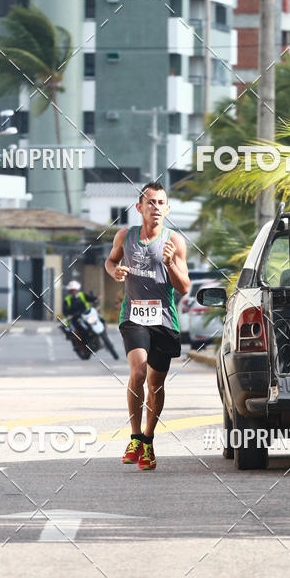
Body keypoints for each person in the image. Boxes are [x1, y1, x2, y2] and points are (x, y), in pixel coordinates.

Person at [105, 181, 190, 471]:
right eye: (150, 202)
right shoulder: (125, 236)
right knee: (138, 371)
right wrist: (114, 271)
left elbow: (185, 287)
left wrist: (169, 264)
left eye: (161, 202)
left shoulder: (174, 241)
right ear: (139, 207)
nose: (155, 207)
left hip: (164, 320)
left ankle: (148, 440)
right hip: (134, 316)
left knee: (156, 384)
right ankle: (134, 437)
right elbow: (110, 260)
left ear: (168, 209)